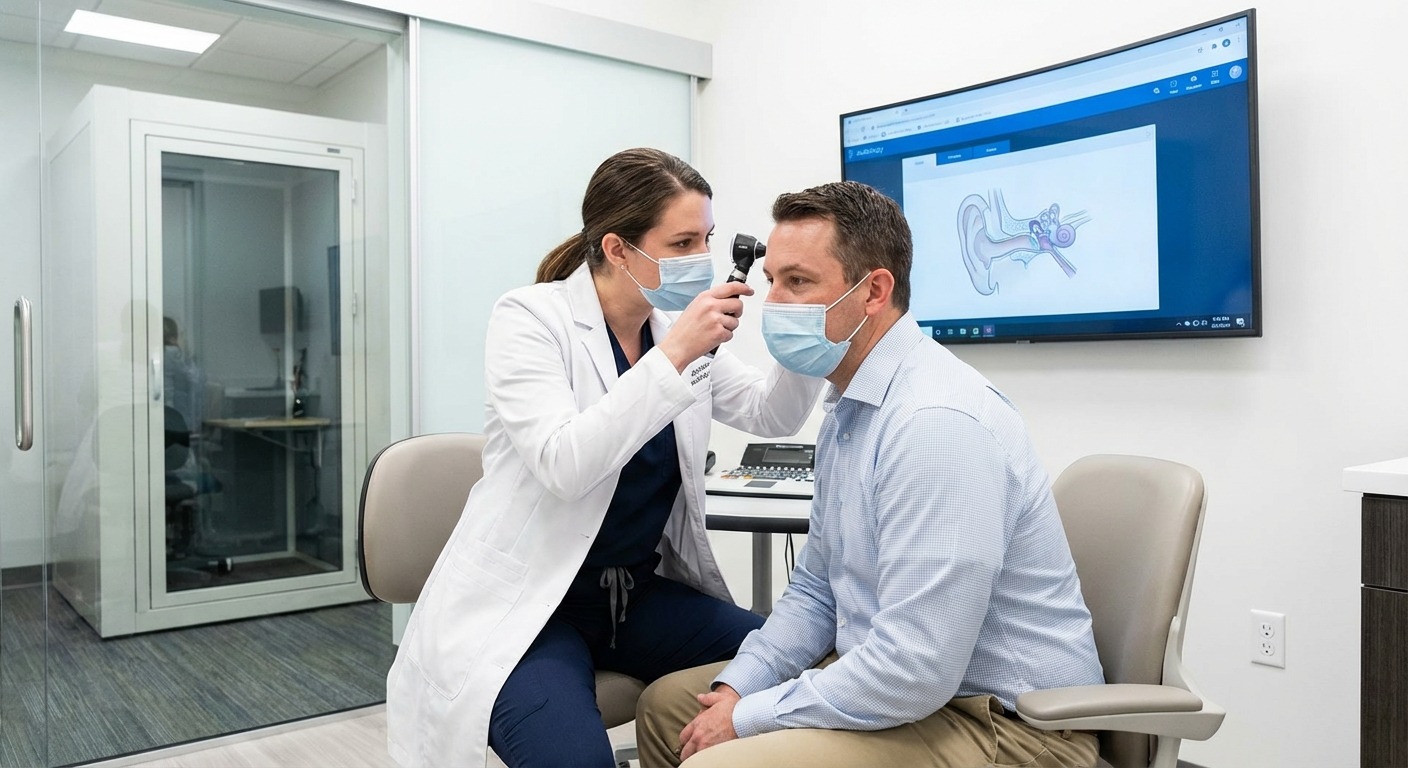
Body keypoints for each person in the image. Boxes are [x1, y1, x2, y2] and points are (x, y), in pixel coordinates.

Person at [635, 181, 1105, 768]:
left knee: (722, 758)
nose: (772, 302)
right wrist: (738, 689)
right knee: (667, 709)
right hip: (915, 693)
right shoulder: (853, 405)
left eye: (797, 282)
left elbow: (913, 669)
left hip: (1009, 727)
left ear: (874, 291)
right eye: (772, 279)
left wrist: (747, 718)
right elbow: (816, 592)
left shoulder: (933, 423)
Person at [384, 148, 825, 768]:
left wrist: (804, 327)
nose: (701, 257)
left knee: (795, 664)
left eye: (707, 239)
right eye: (682, 243)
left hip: (634, 599)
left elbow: (769, 414)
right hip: (534, 610)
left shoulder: (668, 329)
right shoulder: (532, 319)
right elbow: (565, 464)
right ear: (618, 249)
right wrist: (674, 355)